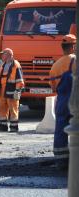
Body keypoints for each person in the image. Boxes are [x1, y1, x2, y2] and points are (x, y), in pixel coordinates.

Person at [49, 34, 76, 170]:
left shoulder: (55, 65)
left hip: (62, 101)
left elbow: (53, 87)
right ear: (73, 46)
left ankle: (61, 161)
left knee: (61, 129)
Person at [0, 48, 24, 132]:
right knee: (2, 108)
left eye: (3, 54)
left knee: (13, 108)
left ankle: (14, 127)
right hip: (2, 90)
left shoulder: (15, 65)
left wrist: (17, 90)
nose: (2, 55)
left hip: (11, 90)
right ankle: (3, 126)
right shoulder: (3, 65)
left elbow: (19, 79)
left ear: (8, 55)